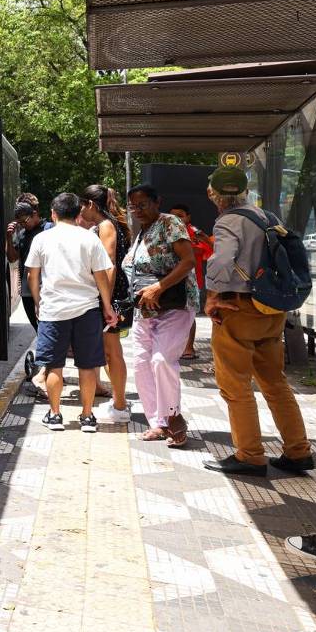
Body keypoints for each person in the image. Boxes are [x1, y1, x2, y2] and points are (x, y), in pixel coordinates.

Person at [201, 167, 312, 477]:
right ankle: (298, 450)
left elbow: (222, 261)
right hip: (271, 309)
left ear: (214, 195)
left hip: (239, 309)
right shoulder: (268, 217)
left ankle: (250, 456)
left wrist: (211, 297)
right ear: (245, 192)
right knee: (275, 382)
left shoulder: (227, 221)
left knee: (235, 385)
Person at [26, 193, 119, 432]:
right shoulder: (90, 239)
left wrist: (38, 302)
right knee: (87, 366)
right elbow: (101, 275)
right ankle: (87, 417)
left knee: (54, 365)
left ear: (53, 214)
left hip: (53, 310)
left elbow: (32, 276)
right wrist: (107, 307)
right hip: (87, 310)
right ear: (79, 215)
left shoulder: (42, 239)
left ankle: (55, 415)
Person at [124, 184, 196, 448]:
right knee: (142, 364)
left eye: (142, 204)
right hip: (145, 310)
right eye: (133, 206)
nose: (137, 210)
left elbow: (188, 261)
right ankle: (157, 422)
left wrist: (158, 286)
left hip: (173, 305)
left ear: (157, 202)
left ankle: (173, 417)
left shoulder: (170, 223)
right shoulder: (142, 231)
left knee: (161, 360)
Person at [80, 184, 132, 423]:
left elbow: (109, 265)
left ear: (91, 204)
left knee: (112, 352)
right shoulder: (106, 224)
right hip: (109, 297)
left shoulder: (106, 226)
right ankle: (118, 403)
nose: (81, 211)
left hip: (111, 298)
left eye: (83, 205)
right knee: (110, 351)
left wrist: (106, 303)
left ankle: (120, 406)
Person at [168, 203, 214, 360]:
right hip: (171, 280)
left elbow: (209, 252)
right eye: (173, 215)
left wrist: (204, 240)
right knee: (172, 314)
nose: (176, 219)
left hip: (193, 281)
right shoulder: (165, 231)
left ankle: (188, 348)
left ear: (188, 217)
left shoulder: (196, 233)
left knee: (189, 315)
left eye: (180, 215)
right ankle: (173, 347)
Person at [6, 200, 53, 329]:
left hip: (48, 288)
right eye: (19, 223)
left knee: (49, 328)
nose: (23, 225)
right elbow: (12, 258)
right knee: (37, 327)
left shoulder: (50, 229)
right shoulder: (22, 235)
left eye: (24, 221)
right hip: (28, 291)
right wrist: (9, 238)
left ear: (34, 214)